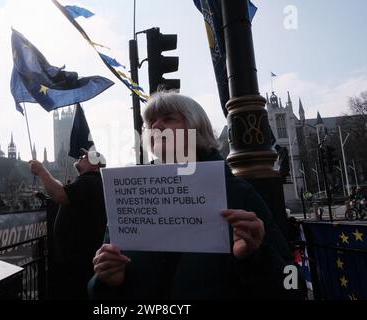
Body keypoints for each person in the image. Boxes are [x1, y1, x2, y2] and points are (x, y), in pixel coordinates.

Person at [89, 92, 305, 300]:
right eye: (150, 123)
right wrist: (105, 279)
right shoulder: (130, 194)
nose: (155, 126)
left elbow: (293, 284)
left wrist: (256, 257)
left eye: (169, 118)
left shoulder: (239, 194)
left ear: (197, 129)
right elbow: (98, 290)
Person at [29, 148, 107, 299]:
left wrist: (41, 170)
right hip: (79, 259)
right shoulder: (90, 182)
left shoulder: (90, 180)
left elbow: (60, 195)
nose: (81, 156)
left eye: (85, 156)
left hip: (78, 262)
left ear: (95, 165)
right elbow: (64, 192)